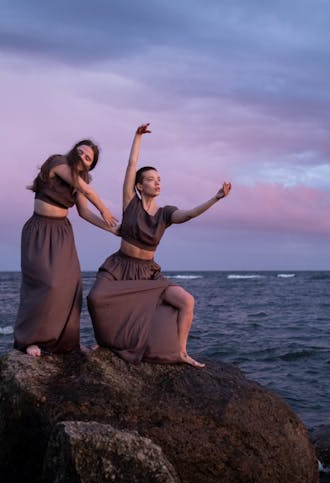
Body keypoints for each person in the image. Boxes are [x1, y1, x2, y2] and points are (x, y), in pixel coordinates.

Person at [87, 123, 231, 368]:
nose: (157, 183)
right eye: (151, 179)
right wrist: (137, 137)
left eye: (159, 179)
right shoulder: (130, 203)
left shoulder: (165, 213)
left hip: (147, 272)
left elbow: (189, 214)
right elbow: (131, 167)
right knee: (95, 298)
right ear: (140, 185)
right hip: (120, 266)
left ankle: (181, 352)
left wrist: (215, 198)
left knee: (186, 301)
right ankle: (107, 341)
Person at [14, 139, 118, 357]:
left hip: (62, 232)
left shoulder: (81, 179)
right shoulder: (58, 162)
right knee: (46, 284)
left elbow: (84, 212)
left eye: (88, 157)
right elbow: (86, 190)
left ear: (90, 165)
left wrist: (111, 230)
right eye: (80, 152)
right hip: (40, 230)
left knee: (72, 286)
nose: (82, 157)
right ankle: (29, 340)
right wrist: (104, 210)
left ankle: (66, 343)